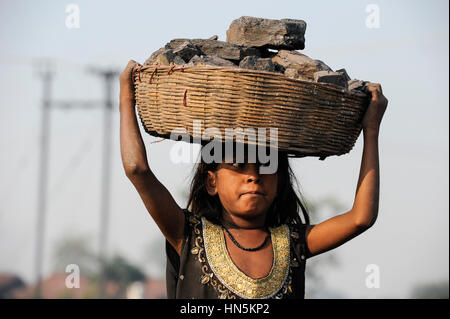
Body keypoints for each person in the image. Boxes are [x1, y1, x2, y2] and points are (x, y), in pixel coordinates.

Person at [119, 60, 388, 299]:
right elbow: (137, 170)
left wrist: (371, 131)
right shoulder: (188, 234)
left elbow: (361, 218)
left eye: (266, 166)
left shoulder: (293, 243)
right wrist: (125, 97)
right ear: (211, 181)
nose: (253, 176)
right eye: (238, 165)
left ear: (280, 182)